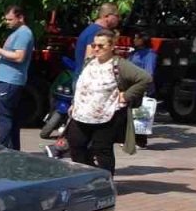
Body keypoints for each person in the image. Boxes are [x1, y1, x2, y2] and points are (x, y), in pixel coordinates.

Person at [65, 30, 152, 175]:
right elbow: (83, 85)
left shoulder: (120, 65)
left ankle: (105, 180)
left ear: (112, 46)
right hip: (81, 113)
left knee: (102, 150)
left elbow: (145, 78)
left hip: (107, 115)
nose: (96, 49)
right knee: (75, 145)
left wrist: (127, 95)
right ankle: (89, 176)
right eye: (94, 45)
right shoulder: (89, 62)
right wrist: (75, 103)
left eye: (101, 46)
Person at [0, 5, 36, 150]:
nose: (8, 22)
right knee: (11, 117)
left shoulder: (24, 33)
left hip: (10, 80)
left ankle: (3, 149)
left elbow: (19, 57)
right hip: (8, 80)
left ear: (20, 17)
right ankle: (13, 150)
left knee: (5, 116)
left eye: (10, 19)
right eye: (6, 19)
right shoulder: (17, 32)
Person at [128, 32, 158, 148]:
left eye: (137, 38)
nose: (134, 40)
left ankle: (140, 141)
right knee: (132, 114)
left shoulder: (149, 54)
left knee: (141, 114)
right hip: (132, 86)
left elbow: (149, 72)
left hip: (141, 87)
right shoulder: (134, 53)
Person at [75, 3, 121, 74]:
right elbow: (89, 58)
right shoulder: (96, 32)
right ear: (107, 16)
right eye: (117, 16)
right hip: (88, 80)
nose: (119, 19)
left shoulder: (93, 30)